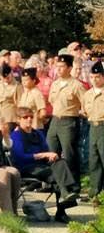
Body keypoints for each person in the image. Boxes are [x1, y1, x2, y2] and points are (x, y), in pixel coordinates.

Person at [10, 106, 80, 222]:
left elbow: (46, 149)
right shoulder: (16, 135)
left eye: (31, 117)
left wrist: (52, 156)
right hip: (26, 167)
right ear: (18, 119)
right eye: (25, 117)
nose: (29, 119)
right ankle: (62, 209)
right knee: (57, 174)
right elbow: (20, 157)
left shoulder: (38, 134)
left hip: (41, 165)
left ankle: (64, 193)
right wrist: (43, 155)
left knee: (60, 162)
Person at [47, 54, 85, 185]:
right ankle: (57, 183)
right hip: (55, 120)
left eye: (62, 67)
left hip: (69, 121)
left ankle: (73, 185)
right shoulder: (55, 84)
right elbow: (51, 101)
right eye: (57, 66)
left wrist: (78, 112)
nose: (59, 69)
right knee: (51, 151)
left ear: (69, 68)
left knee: (69, 154)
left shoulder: (76, 85)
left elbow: (86, 103)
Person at [84, 62, 104, 199]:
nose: (94, 80)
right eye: (92, 77)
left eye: (97, 77)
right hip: (93, 126)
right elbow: (85, 111)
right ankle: (95, 191)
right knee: (94, 160)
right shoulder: (87, 94)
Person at [19, 67, 48, 131]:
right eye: (22, 80)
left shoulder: (37, 93)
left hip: (35, 128)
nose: (23, 82)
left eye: (26, 80)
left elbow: (43, 113)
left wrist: (35, 120)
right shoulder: (24, 94)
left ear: (33, 80)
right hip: (24, 128)